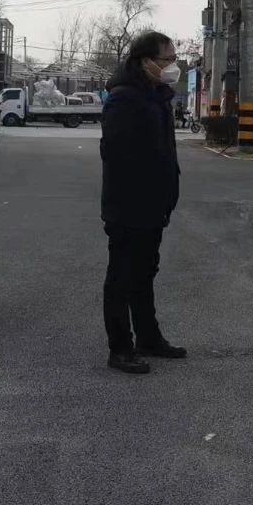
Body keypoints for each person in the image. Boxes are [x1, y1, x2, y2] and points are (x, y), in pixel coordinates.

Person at [100, 31, 184, 375]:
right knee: (121, 276)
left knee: (145, 273)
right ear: (146, 61)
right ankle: (120, 348)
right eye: (168, 59)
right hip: (128, 205)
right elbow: (117, 155)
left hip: (153, 205)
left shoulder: (157, 95)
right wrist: (142, 193)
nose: (173, 65)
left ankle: (149, 338)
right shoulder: (124, 98)